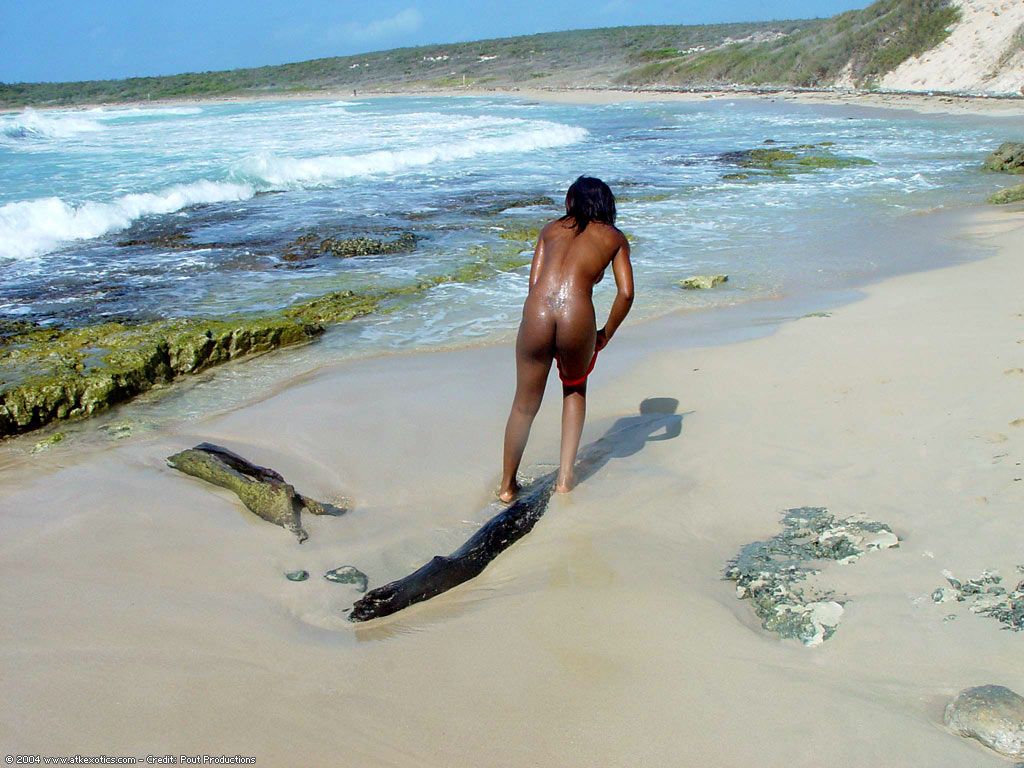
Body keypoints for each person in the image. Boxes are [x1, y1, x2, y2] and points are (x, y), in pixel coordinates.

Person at [497, 176, 634, 502]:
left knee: (524, 404)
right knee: (574, 388)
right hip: (576, 316)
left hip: (538, 313)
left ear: (571, 202)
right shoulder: (614, 238)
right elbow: (626, 293)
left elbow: (534, 285)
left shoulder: (549, 230)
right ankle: (564, 479)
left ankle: (506, 487)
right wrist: (606, 333)